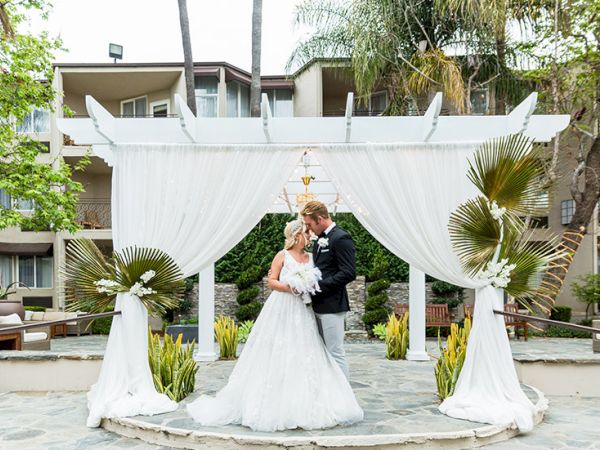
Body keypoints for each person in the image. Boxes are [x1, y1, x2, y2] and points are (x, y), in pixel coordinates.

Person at [186, 219, 363, 432]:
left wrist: (306, 285)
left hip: (304, 310)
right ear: (297, 236)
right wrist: (292, 287)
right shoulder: (282, 255)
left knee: (306, 351)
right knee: (278, 349)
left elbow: (317, 279)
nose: (309, 237)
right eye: (306, 233)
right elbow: (271, 281)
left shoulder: (311, 257)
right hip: (282, 307)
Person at [300, 201, 356, 379]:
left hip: (333, 305)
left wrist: (318, 286)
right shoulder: (319, 240)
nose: (308, 228)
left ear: (320, 218)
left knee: (335, 352)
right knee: (322, 352)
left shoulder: (341, 238)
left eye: (309, 224)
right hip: (317, 305)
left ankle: (344, 398)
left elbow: (348, 273)